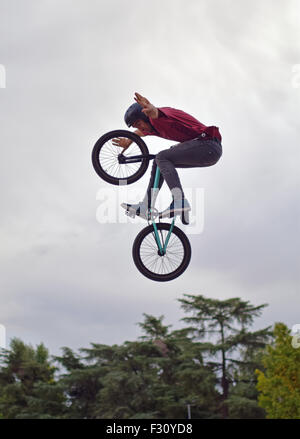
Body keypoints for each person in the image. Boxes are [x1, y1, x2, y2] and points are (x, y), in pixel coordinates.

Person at [112, 92, 222, 224]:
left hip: (208, 144)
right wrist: (128, 141)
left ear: (145, 116)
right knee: (158, 162)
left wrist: (151, 109)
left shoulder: (158, 117)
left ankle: (179, 200)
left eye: (138, 123)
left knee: (161, 157)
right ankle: (146, 205)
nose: (139, 127)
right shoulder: (150, 127)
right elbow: (140, 132)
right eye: (135, 126)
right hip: (206, 151)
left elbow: (156, 113)